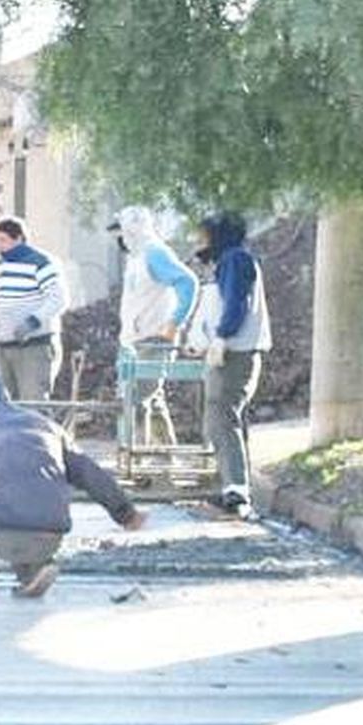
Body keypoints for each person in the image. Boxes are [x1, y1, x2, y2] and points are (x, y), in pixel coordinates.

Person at [0, 374, 147, 599]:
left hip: (2, 534)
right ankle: (33, 572)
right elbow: (91, 474)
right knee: (20, 492)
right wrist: (126, 514)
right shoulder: (45, 425)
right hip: (51, 537)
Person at [194, 211, 271, 518]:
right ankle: (231, 486)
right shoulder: (234, 259)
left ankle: (236, 492)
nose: (200, 242)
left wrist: (221, 338)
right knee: (224, 417)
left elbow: (236, 303)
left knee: (222, 417)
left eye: (205, 236)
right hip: (237, 351)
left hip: (234, 353)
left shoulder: (235, 260)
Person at [0, 215, 68, 401]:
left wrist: (33, 322)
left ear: (19, 239)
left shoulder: (41, 263)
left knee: (32, 400)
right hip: (4, 347)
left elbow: (59, 298)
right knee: (6, 403)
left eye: (3, 240)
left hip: (33, 346)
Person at [110, 206, 197, 347]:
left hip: (152, 340)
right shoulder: (135, 257)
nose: (121, 237)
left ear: (133, 230)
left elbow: (187, 282)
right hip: (133, 339)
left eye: (123, 232)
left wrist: (173, 324)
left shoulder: (155, 253)